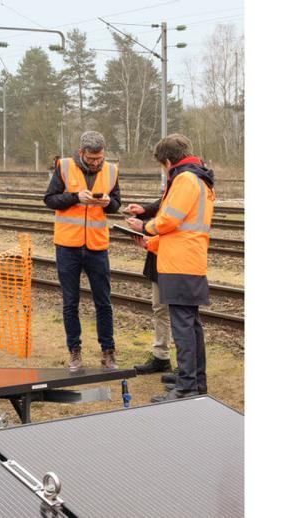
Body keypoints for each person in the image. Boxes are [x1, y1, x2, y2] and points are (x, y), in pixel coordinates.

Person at [125, 134, 214, 401]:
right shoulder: (199, 177)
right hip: (187, 257)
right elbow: (183, 227)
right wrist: (151, 243)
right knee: (191, 324)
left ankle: (187, 386)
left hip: (180, 263)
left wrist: (146, 227)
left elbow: (170, 219)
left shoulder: (186, 179)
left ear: (166, 160)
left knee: (183, 325)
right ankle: (196, 381)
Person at [43, 131, 122, 371]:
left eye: (99, 159)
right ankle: (74, 352)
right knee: (70, 302)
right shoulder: (64, 167)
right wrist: (76, 197)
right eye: (91, 159)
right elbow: (50, 199)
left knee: (104, 303)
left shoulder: (111, 171)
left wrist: (109, 203)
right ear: (81, 153)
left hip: (97, 246)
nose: (96, 163)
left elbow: (117, 204)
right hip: (68, 246)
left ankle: (108, 352)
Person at [124, 181, 174, 375]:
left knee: (178, 313)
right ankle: (162, 357)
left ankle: (187, 367)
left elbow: (172, 224)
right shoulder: (177, 179)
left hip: (174, 259)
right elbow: (162, 204)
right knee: (160, 309)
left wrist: (145, 227)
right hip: (160, 257)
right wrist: (144, 210)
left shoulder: (187, 181)